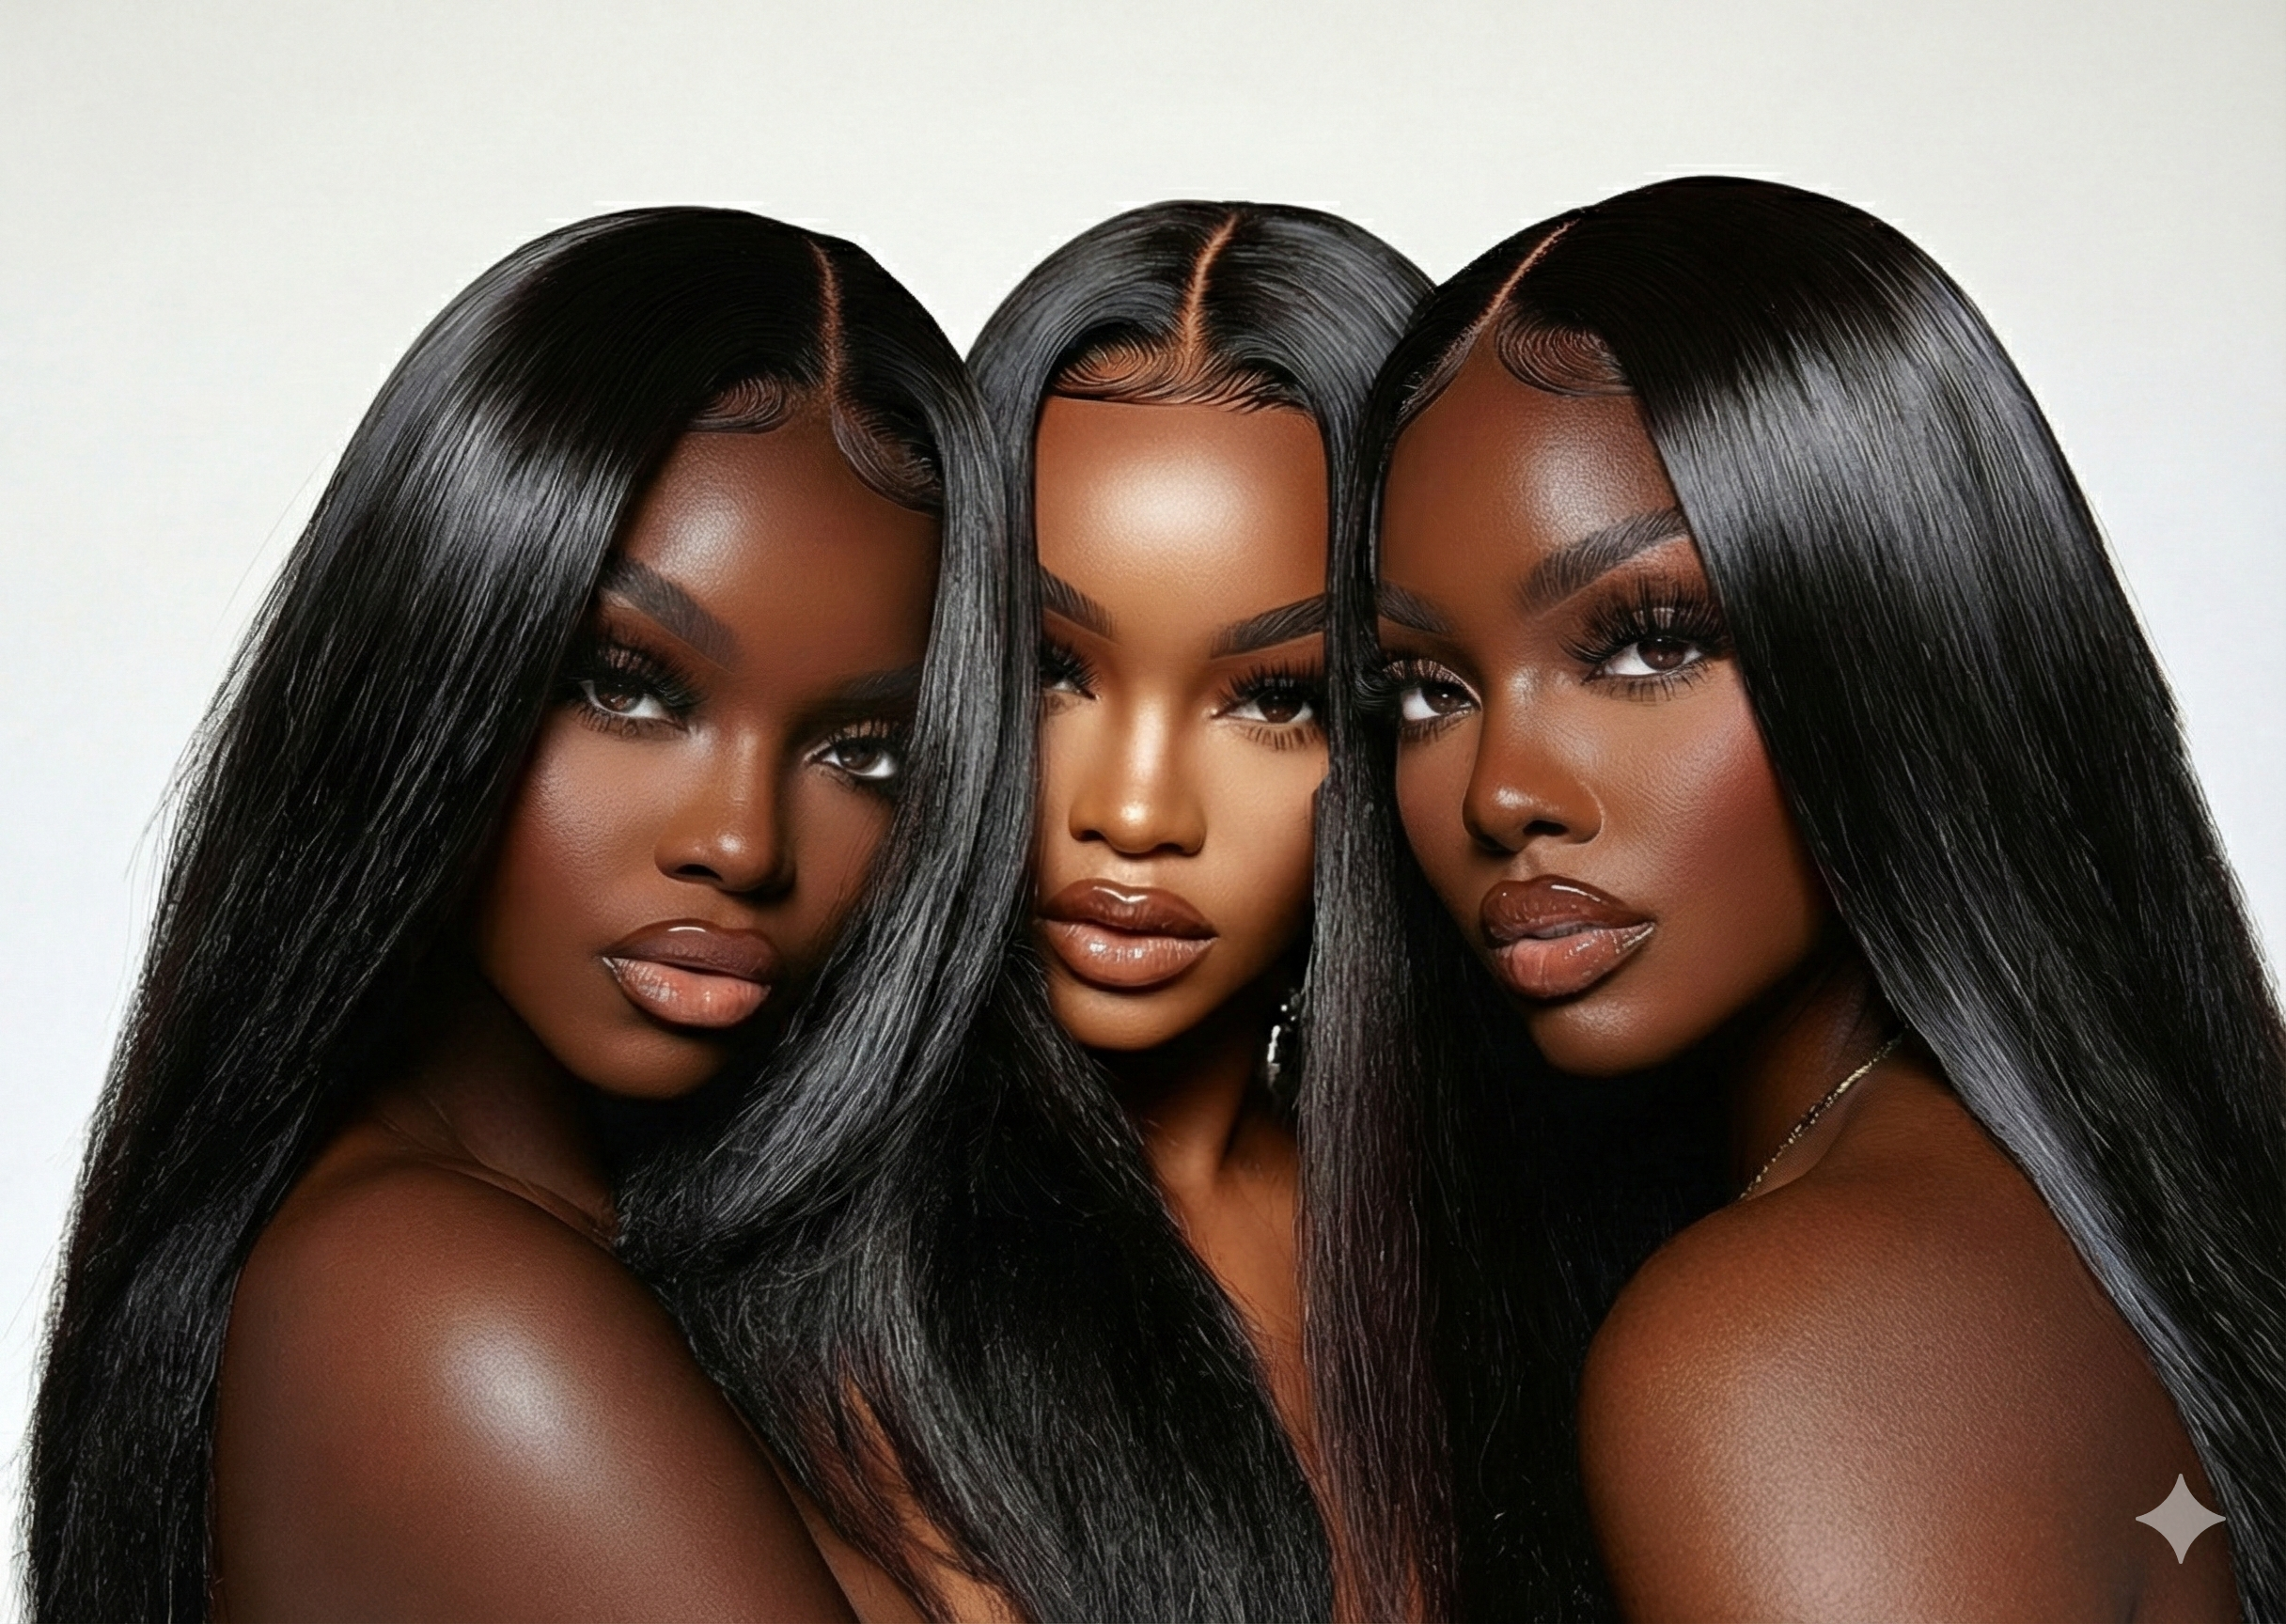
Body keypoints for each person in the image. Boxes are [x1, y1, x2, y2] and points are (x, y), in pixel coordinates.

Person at [1308, 176, 2286, 1619]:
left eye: (1646, 646)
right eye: (1430, 688)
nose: (1501, 789)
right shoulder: (2115, 1220)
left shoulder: (1771, 1351)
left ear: (1894, 640)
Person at [30, 207, 1008, 1622]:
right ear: (434, 656)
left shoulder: (614, 1252)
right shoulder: (436, 1304)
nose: (740, 842)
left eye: (868, 752)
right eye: (629, 685)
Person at [618, 202, 1428, 1623]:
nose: (1134, 808)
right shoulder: (793, 1260)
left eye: (1277, 697)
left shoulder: (1473, 1237)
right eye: (1055, 668)